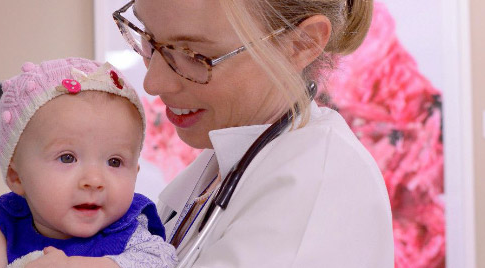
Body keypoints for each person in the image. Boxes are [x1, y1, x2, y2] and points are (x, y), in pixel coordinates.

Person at [112, 0, 394, 266]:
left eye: (194, 55)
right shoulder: (227, 161)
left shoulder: (318, 191)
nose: (153, 83)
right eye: (148, 38)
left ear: (301, 45)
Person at [0, 57, 177, 268]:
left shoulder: (127, 228)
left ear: (135, 172)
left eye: (115, 162)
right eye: (67, 158)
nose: (94, 179)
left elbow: (163, 259)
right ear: (17, 177)